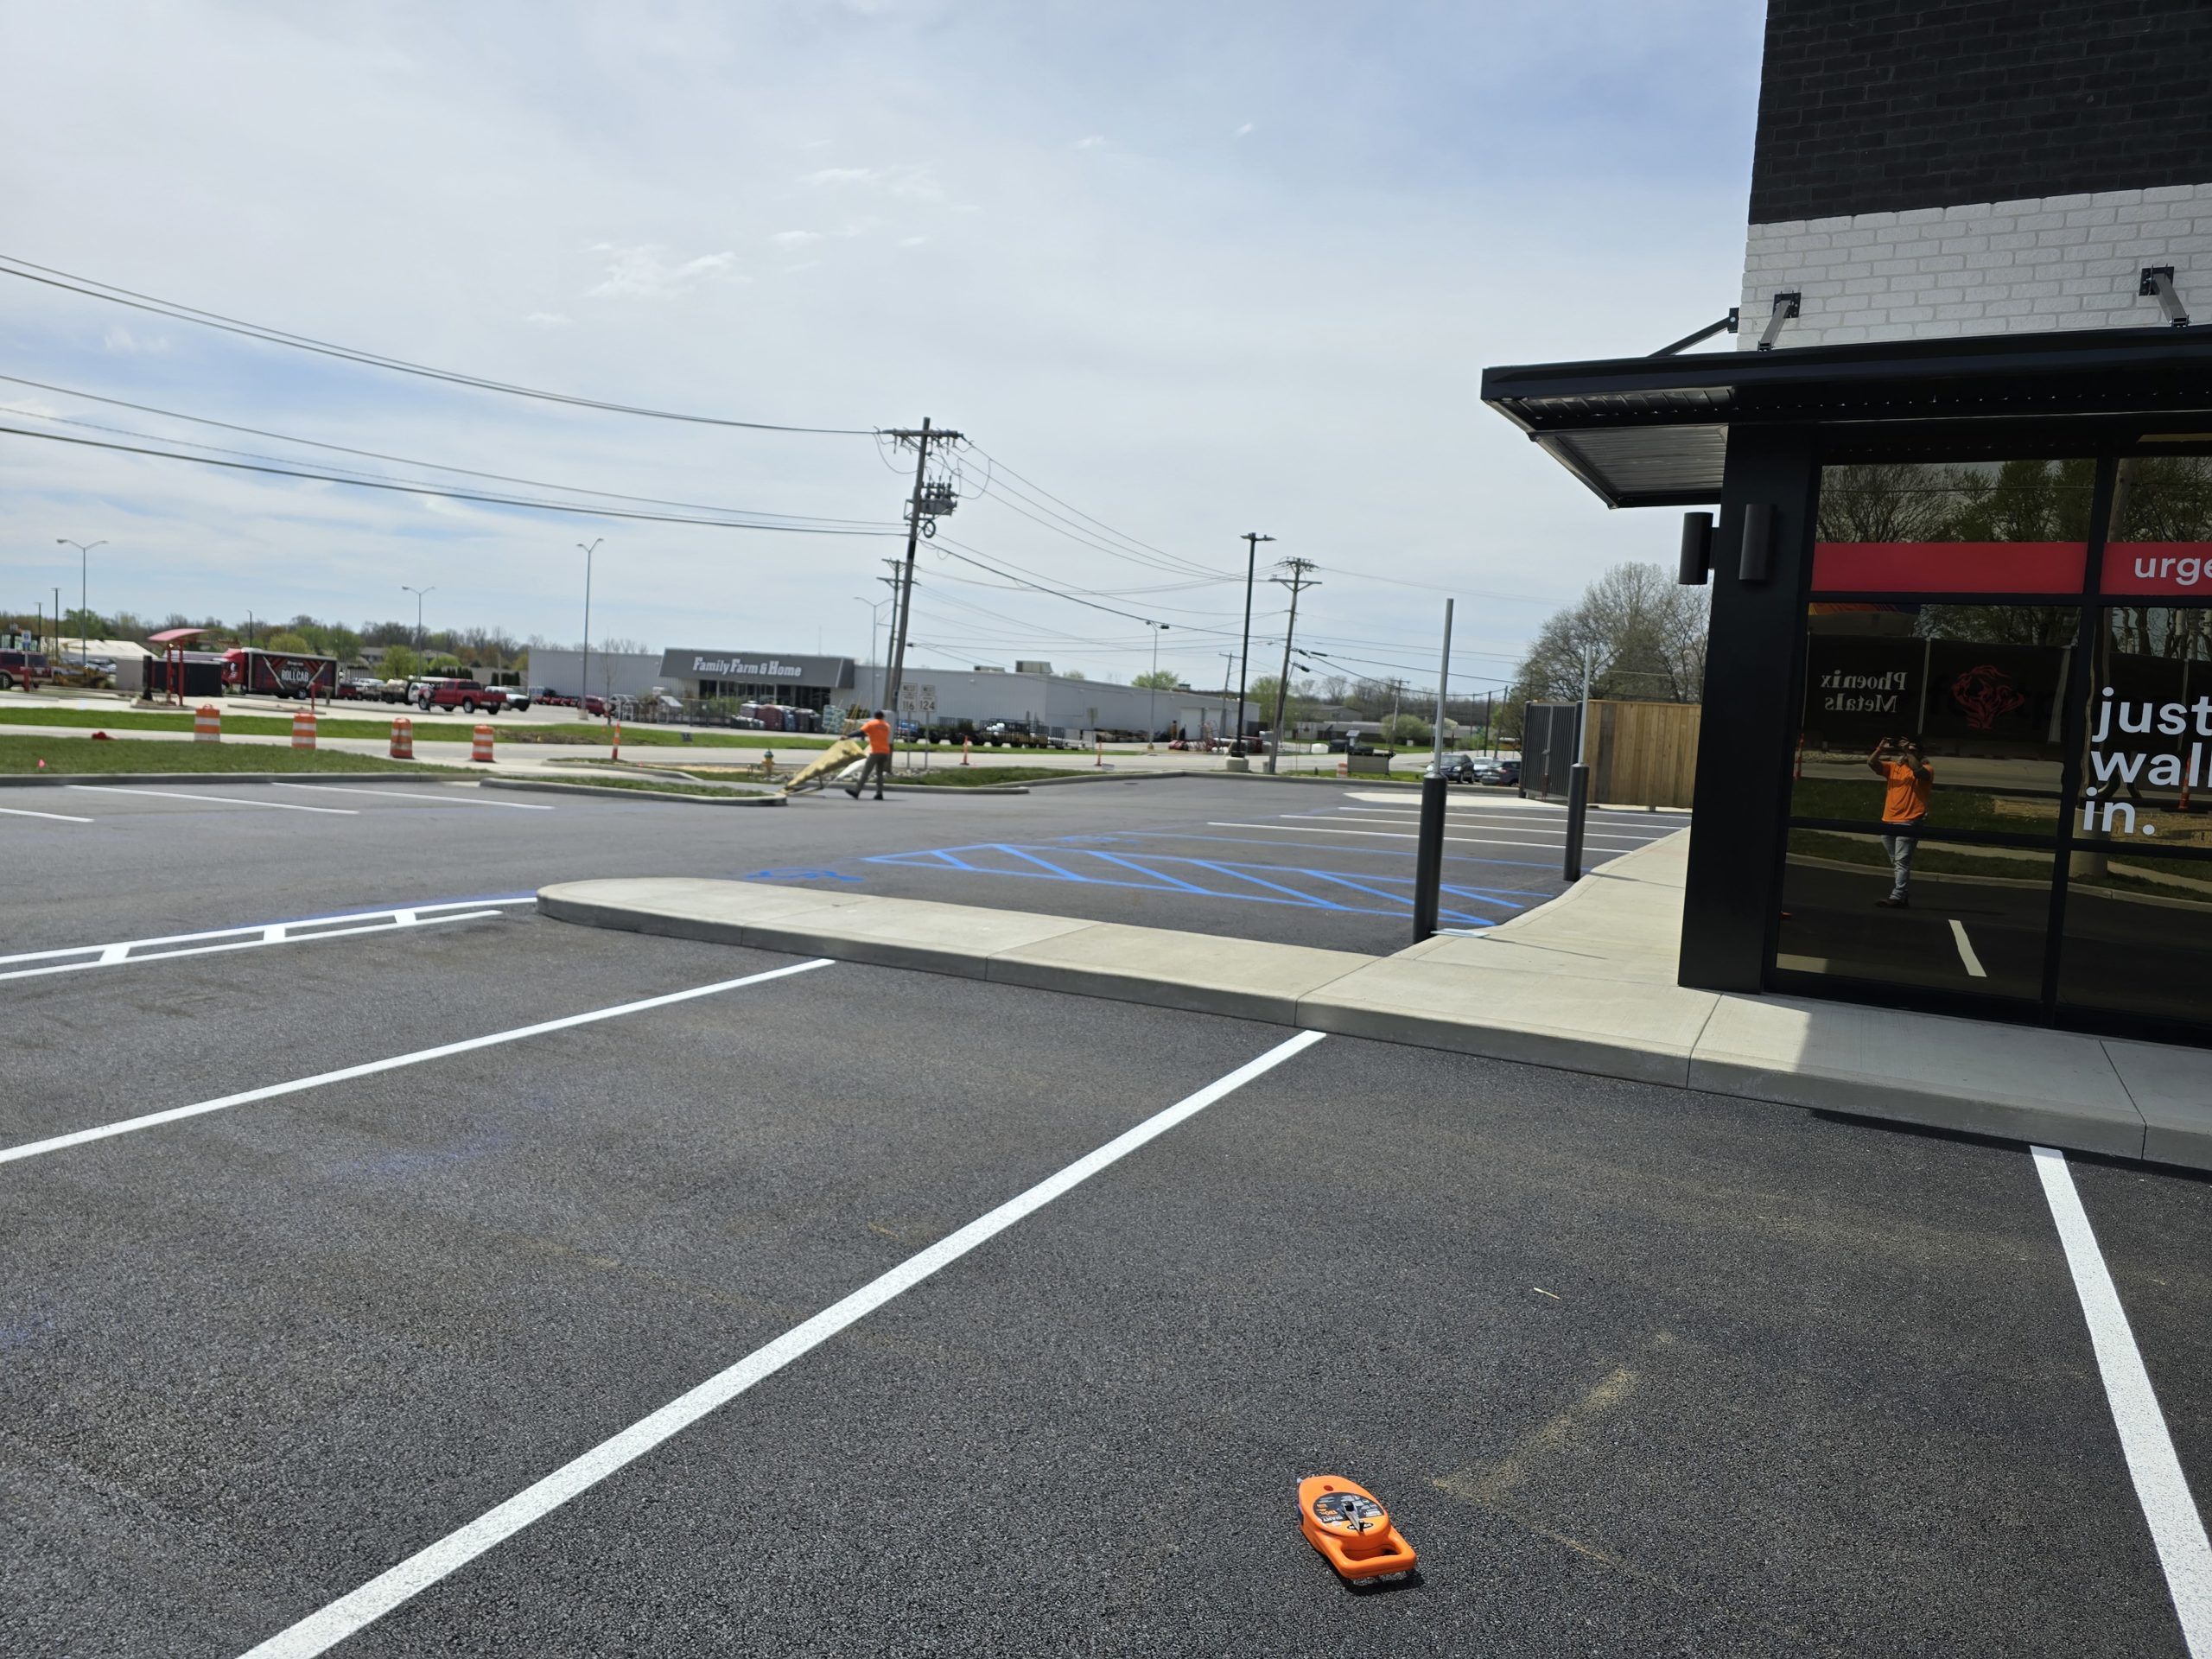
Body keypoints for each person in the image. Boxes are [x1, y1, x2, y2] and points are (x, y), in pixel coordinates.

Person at [1867, 734, 1933, 907]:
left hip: (1909, 820)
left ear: (1919, 754)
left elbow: (1920, 773)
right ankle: (1902, 894)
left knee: (1901, 861)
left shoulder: (1926, 769)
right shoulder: (1894, 768)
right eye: (1905, 750)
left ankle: (1897, 896)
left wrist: (1906, 751)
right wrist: (1880, 749)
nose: (1906, 753)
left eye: (1912, 750)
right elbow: (1872, 764)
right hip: (1888, 819)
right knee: (1896, 861)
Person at [846, 709, 893, 800]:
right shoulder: (886, 725)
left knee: (866, 772)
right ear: (883, 717)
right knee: (879, 774)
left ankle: (856, 792)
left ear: (875, 717)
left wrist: (848, 736)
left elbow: (860, 732)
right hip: (885, 752)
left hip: (875, 752)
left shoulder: (872, 724)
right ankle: (879, 794)